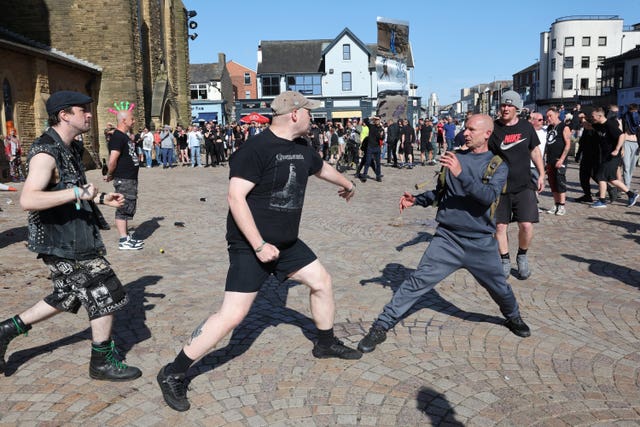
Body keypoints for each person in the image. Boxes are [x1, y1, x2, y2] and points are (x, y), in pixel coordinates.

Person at [157, 91, 361, 412]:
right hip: (250, 245)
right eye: (309, 112)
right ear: (294, 114)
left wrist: (347, 184)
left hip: (287, 243)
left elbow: (322, 169)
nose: (313, 117)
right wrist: (258, 245)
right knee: (233, 316)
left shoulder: (301, 149)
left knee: (322, 282)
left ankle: (325, 343)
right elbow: (236, 198)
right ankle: (174, 371)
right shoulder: (254, 150)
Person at [357, 114, 531, 354]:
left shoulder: (497, 164)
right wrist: (416, 200)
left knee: (499, 288)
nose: (466, 133)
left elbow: (487, 197)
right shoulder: (454, 158)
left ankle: (514, 317)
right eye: (465, 128)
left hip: (480, 243)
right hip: (447, 239)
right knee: (417, 281)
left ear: (487, 134)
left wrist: (461, 173)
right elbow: (441, 194)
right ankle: (381, 326)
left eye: (471, 129)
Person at [0, 90, 142, 381]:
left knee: (67, 295)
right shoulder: (45, 152)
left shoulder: (72, 148)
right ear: (64, 115)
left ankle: (5, 330)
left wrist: (101, 198)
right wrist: (77, 193)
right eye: (83, 110)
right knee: (106, 292)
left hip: (78, 233)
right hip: (60, 239)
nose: (90, 114)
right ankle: (101, 362)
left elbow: (76, 188)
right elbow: (28, 199)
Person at [488, 90, 544, 280]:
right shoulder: (493, 128)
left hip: (524, 184)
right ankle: (504, 260)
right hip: (499, 187)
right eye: (503, 105)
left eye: (509, 105)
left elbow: (535, 151)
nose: (505, 108)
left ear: (517, 108)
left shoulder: (526, 128)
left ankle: (522, 255)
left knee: (526, 225)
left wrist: (542, 174)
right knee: (500, 227)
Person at [104, 108, 144, 250]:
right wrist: (110, 174)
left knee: (128, 205)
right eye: (132, 119)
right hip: (124, 178)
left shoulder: (124, 136)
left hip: (130, 178)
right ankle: (123, 240)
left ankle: (126, 237)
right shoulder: (117, 137)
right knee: (123, 206)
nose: (133, 121)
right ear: (123, 120)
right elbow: (113, 158)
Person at [590, 107, 639, 208]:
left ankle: (602, 201)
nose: (592, 118)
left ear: (600, 116)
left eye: (593, 116)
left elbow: (622, 136)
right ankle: (631, 194)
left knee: (601, 176)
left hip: (613, 156)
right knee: (611, 179)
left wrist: (617, 149)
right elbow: (589, 126)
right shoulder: (598, 125)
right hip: (606, 156)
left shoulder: (610, 124)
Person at [544, 107, 571, 216]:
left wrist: (562, 159)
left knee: (560, 182)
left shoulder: (564, 127)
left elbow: (568, 144)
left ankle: (562, 205)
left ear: (557, 115)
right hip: (550, 159)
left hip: (559, 159)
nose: (548, 118)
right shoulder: (550, 128)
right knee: (552, 182)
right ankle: (556, 203)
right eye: (547, 116)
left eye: (550, 116)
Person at [621, 103, 639, 188]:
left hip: (636, 144)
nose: (634, 113)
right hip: (626, 142)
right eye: (632, 111)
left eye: (635, 111)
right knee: (626, 165)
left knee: (632, 166)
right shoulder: (625, 117)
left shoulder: (638, 118)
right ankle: (626, 186)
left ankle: (627, 183)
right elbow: (622, 131)